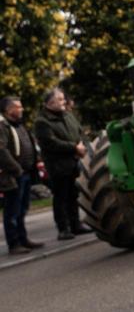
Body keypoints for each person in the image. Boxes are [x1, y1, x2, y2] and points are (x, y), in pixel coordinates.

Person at [33, 87, 91, 240]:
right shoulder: (42, 122)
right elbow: (51, 143)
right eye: (60, 99)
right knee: (61, 197)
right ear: (50, 103)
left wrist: (82, 146)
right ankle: (63, 229)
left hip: (74, 162)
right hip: (58, 166)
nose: (64, 101)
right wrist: (74, 147)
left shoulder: (68, 115)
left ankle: (75, 224)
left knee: (73, 195)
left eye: (63, 99)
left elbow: (81, 132)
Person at [1, 97, 43, 254]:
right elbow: (2, 151)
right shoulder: (2, 126)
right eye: (18, 107)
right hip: (12, 176)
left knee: (22, 209)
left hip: (24, 173)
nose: (22, 109)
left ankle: (23, 239)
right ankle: (14, 243)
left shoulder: (18, 125)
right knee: (12, 210)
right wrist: (16, 169)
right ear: (8, 110)